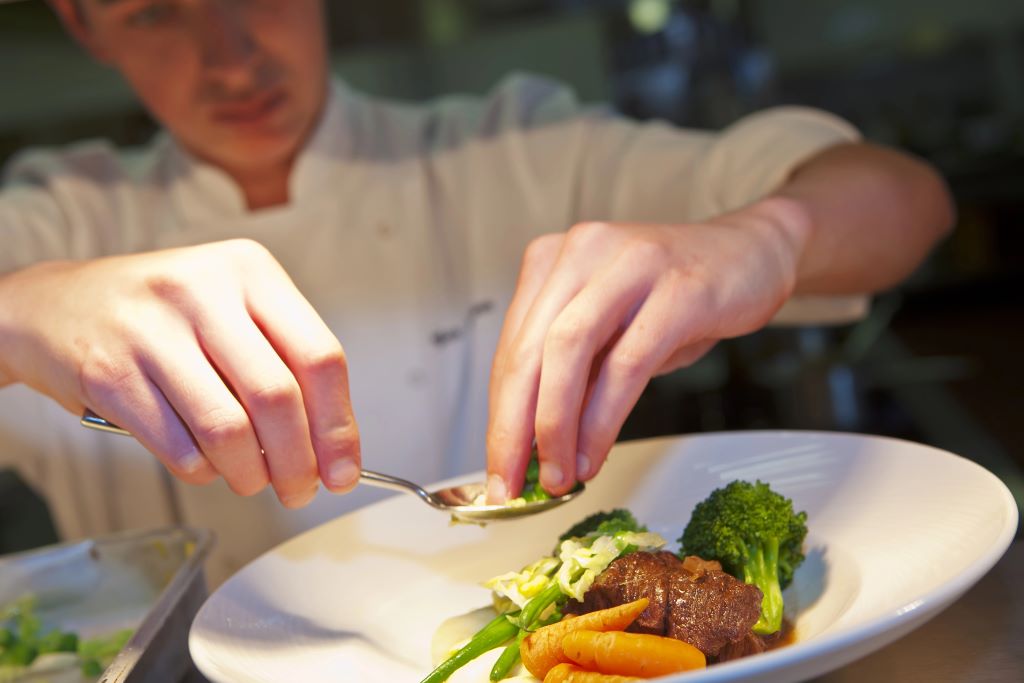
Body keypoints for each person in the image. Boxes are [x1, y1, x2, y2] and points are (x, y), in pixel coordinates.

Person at [0, 0, 953, 582]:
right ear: (80, 20)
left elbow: (910, 200)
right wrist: (21, 310)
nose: (232, 53)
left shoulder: (515, 149)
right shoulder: (60, 220)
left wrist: (767, 237)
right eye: (153, 11)